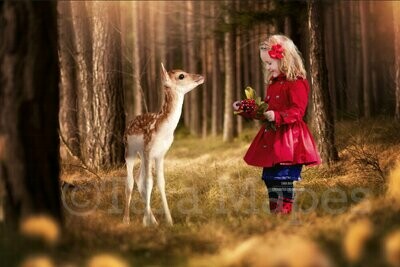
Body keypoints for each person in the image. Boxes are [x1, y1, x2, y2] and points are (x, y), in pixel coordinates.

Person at [234, 34, 321, 214]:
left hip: (290, 140)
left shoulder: (297, 82)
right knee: (270, 179)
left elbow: (298, 111)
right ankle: (276, 214)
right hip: (273, 140)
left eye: (269, 63)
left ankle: (285, 214)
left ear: (284, 60)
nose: (267, 67)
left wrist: (278, 116)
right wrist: (246, 108)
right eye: (265, 63)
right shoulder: (273, 83)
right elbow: (266, 111)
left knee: (283, 178)